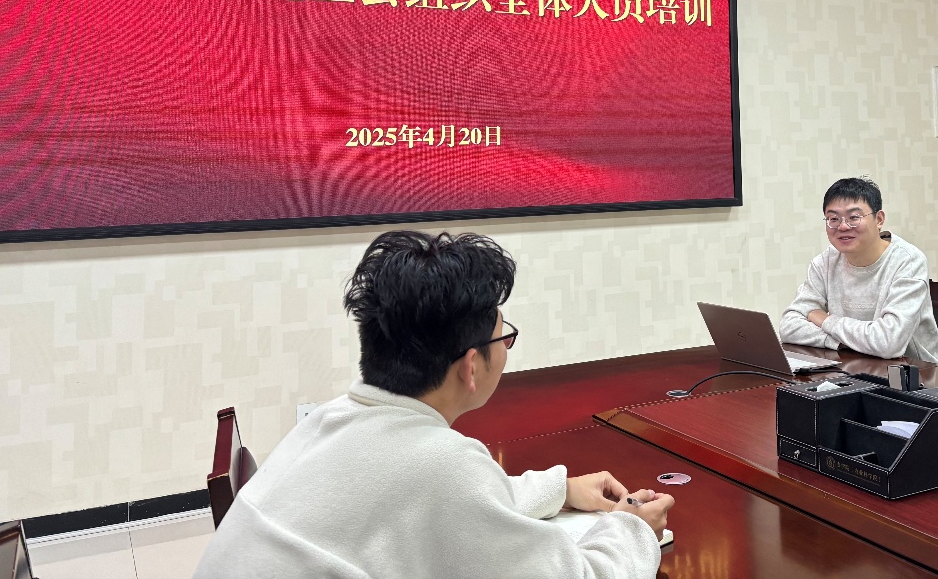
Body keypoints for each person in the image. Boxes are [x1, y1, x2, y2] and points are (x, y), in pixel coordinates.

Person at [194, 231, 672, 579]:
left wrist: (558, 489)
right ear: (471, 366)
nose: (507, 348)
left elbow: (447, 505)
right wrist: (631, 528)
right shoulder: (440, 464)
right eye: (503, 336)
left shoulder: (334, 418)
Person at [780, 177, 938, 362]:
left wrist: (825, 320)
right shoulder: (825, 262)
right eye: (833, 219)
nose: (843, 226)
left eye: (854, 217)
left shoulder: (908, 262)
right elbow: (789, 326)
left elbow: (888, 343)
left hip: (913, 372)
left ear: (879, 219)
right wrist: (842, 343)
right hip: (847, 366)